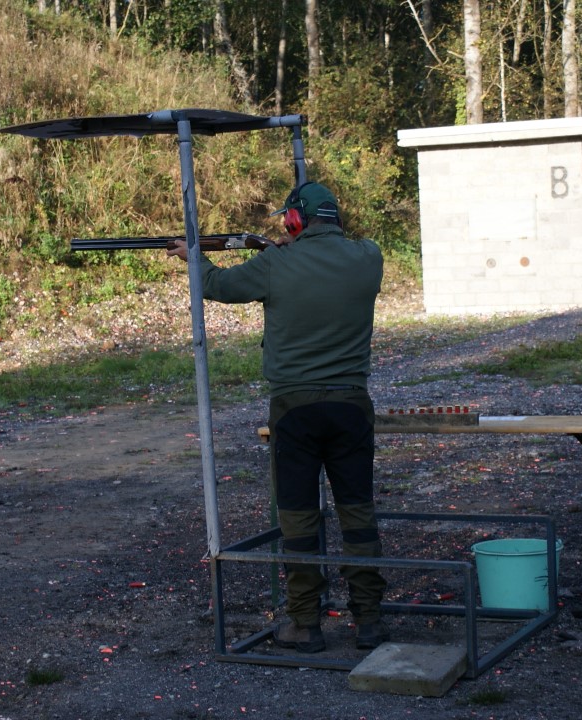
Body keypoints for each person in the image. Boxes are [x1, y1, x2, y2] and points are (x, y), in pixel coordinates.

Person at [167, 181, 388, 653]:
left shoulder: (275, 264)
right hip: (352, 406)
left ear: (293, 221)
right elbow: (336, 261)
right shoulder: (369, 258)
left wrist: (193, 257)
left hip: (295, 409)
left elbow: (216, 286)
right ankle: (369, 620)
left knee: (298, 518)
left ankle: (305, 624)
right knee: (358, 514)